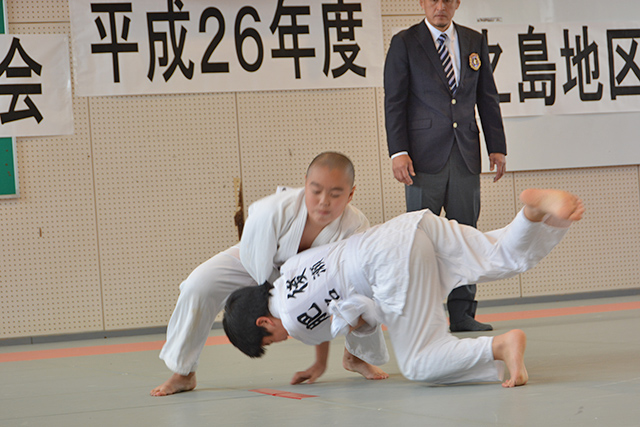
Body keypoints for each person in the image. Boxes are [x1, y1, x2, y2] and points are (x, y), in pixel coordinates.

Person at [223, 189, 584, 387]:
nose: (281, 341)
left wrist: (349, 353)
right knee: (499, 256)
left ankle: (500, 347)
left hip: (390, 262)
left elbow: (352, 319)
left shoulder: (294, 321)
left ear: (263, 324)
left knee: (418, 362)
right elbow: (347, 302)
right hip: (407, 229)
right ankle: (535, 214)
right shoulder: (289, 270)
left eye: (271, 342)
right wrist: (353, 353)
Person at [151, 152, 389, 397]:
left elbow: (327, 290)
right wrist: (286, 299)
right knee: (198, 285)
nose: (323, 201)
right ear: (305, 183)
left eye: (336, 194)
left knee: (363, 287)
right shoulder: (270, 211)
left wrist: (320, 361)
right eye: (315, 190)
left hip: (313, 276)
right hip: (258, 265)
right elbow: (262, 271)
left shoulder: (355, 227)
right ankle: (183, 372)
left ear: (350, 194)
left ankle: (356, 356)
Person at [384, 0, 508, 332]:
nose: (440, 6)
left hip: (466, 152)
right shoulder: (405, 42)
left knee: (465, 235)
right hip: (422, 158)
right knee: (420, 238)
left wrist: (496, 146)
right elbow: (394, 100)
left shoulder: (473, 40)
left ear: (457, 4)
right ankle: (423, 314)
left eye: (447, 0)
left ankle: (462, 314)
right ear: (423, 3)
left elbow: (487, 96)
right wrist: (398, 151)